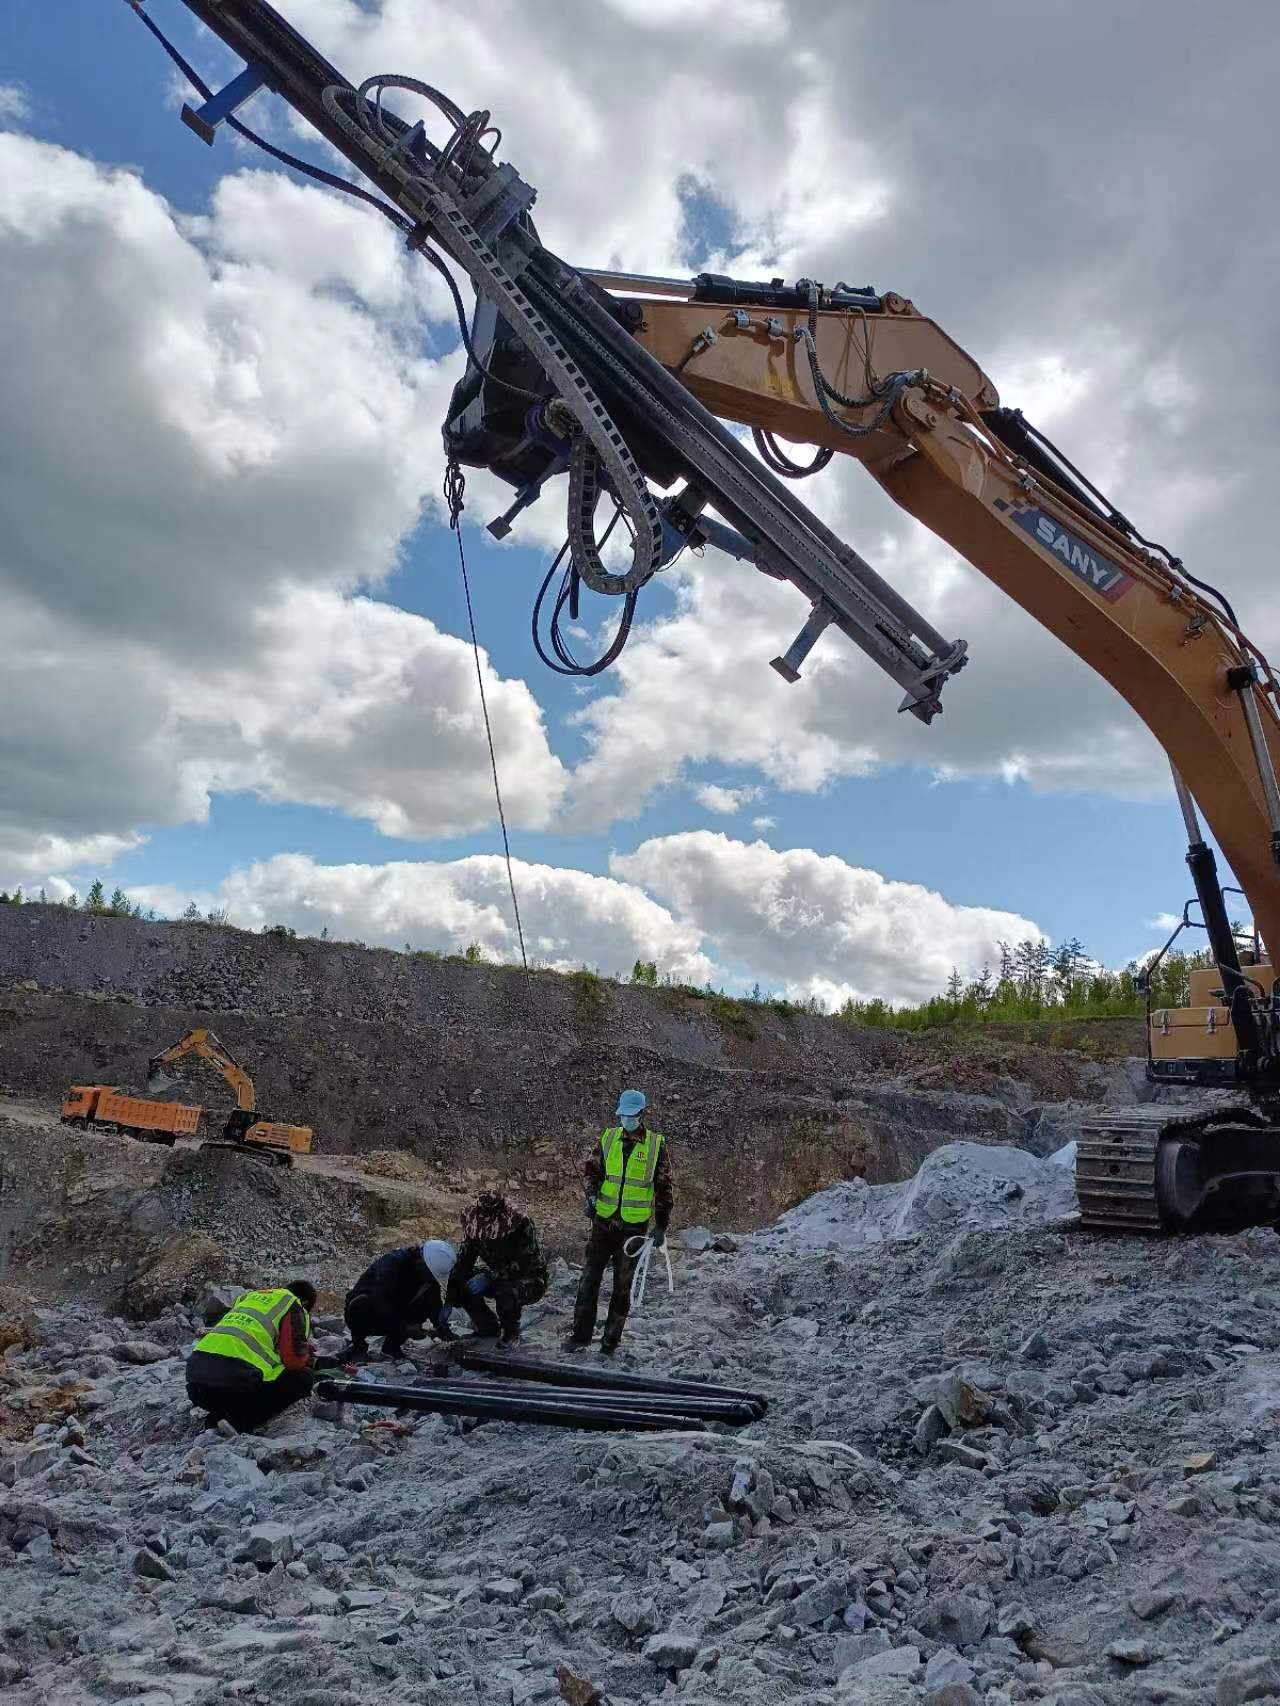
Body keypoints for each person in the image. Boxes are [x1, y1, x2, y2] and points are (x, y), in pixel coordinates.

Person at [566, 1089, 673, 1356]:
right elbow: (592, 1172)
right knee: (589, 1280)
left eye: (631, 1115)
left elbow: (664, 1188)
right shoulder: (609, 1137)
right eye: (623, 1115)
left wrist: (661, 1225)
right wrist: (591, 1199)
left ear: (641, 1114)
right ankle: (580, 1337)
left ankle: (609, 1342)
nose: (626, 1119)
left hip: (633, 1229)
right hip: (603, 1223)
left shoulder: (655, 1145)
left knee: (622, 1287)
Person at [186, 1279, 320, 1433]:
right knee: (303, 1378)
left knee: (236, 1377)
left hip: (196, 1386)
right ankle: (239, 1421)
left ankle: (217, 1417)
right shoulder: (291, 1303)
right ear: (304, 1301)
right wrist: (306, 1356)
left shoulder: (249, 1298)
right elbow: (293, 1362)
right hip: (233, 1385)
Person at [448, 1191, 548, 1346]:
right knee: (462, 1282)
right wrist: (450, 1297)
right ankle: (487, 1328)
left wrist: (490, 1277)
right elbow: (464, 1262)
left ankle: (511, 1334)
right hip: (498, 1275)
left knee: (506, 1290)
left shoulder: (520, 1222)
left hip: (530, 1279)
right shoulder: (474, 1223)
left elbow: (525, 1264)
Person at [342, 1240, 457, 1361]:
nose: (430, 1277)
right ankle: (358, 1347)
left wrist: (441, 1329)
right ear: (421, 1261)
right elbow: (379, 1299)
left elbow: (434, 1303)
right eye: (429, 1273)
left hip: (394, 1311)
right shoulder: (392, 1262)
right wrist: (403, 1328)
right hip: (367, 1314)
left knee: (425, 1302)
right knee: (361, 1303)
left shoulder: (426, 1274)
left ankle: (391, 1348)